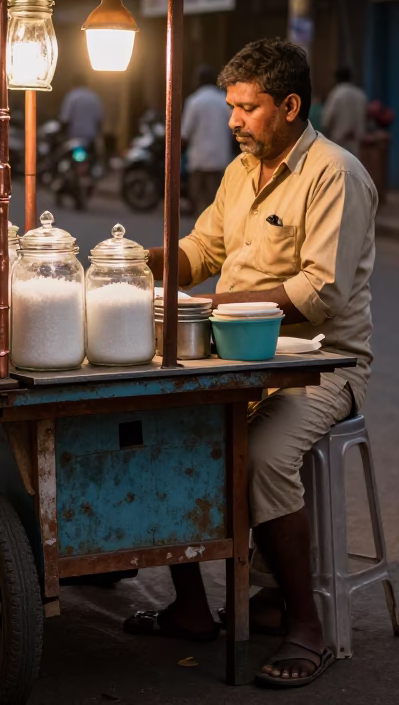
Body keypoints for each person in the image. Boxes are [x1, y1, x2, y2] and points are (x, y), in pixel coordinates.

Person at [124, 39, 377, 690]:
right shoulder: (242, 170)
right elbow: (201, 249)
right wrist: (133, 265)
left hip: (322, 368)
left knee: (260, 456)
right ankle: (190, 607)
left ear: (290, 106)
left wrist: (222, 305)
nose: (232, 120)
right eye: (232, 107)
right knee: (166, 432)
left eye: (247, 107)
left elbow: (322, 293)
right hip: (236, 359)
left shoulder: (335, 174)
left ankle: (306, 624)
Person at [181, 64, 235, 216]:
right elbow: (234, 128)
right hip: (219, 157)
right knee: (216, 199)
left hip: (199, 158)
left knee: (197, 197)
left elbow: (186, 131)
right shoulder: (224, 101)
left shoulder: (194, 101)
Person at [321, 65, 367, 157]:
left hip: (338, 143)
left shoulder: (336, 94)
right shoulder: (361, 95)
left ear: (336, 78)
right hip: (355, 144)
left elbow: (326, 120)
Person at [59, 73, 105, 146]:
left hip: (74, 136)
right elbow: (99, 119)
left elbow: (65, 118)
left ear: (74, 83)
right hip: (90, 137)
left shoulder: (72, 96)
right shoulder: (94, 97)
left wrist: (62, 135)